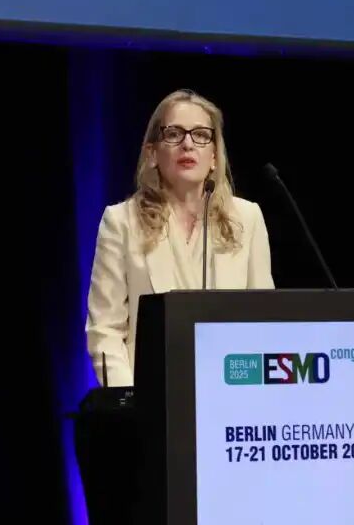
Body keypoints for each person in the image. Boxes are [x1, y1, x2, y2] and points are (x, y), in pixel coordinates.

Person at [84, 89, 275, 386]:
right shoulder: (121, 222)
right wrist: (132, 400)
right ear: (152, 153)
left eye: (201, 135)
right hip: (152, 396)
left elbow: (264, 320)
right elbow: (105, 330)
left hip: (230, 390)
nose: (188, 144)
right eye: (173, 134)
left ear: (214, 156)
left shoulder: (247, 219)